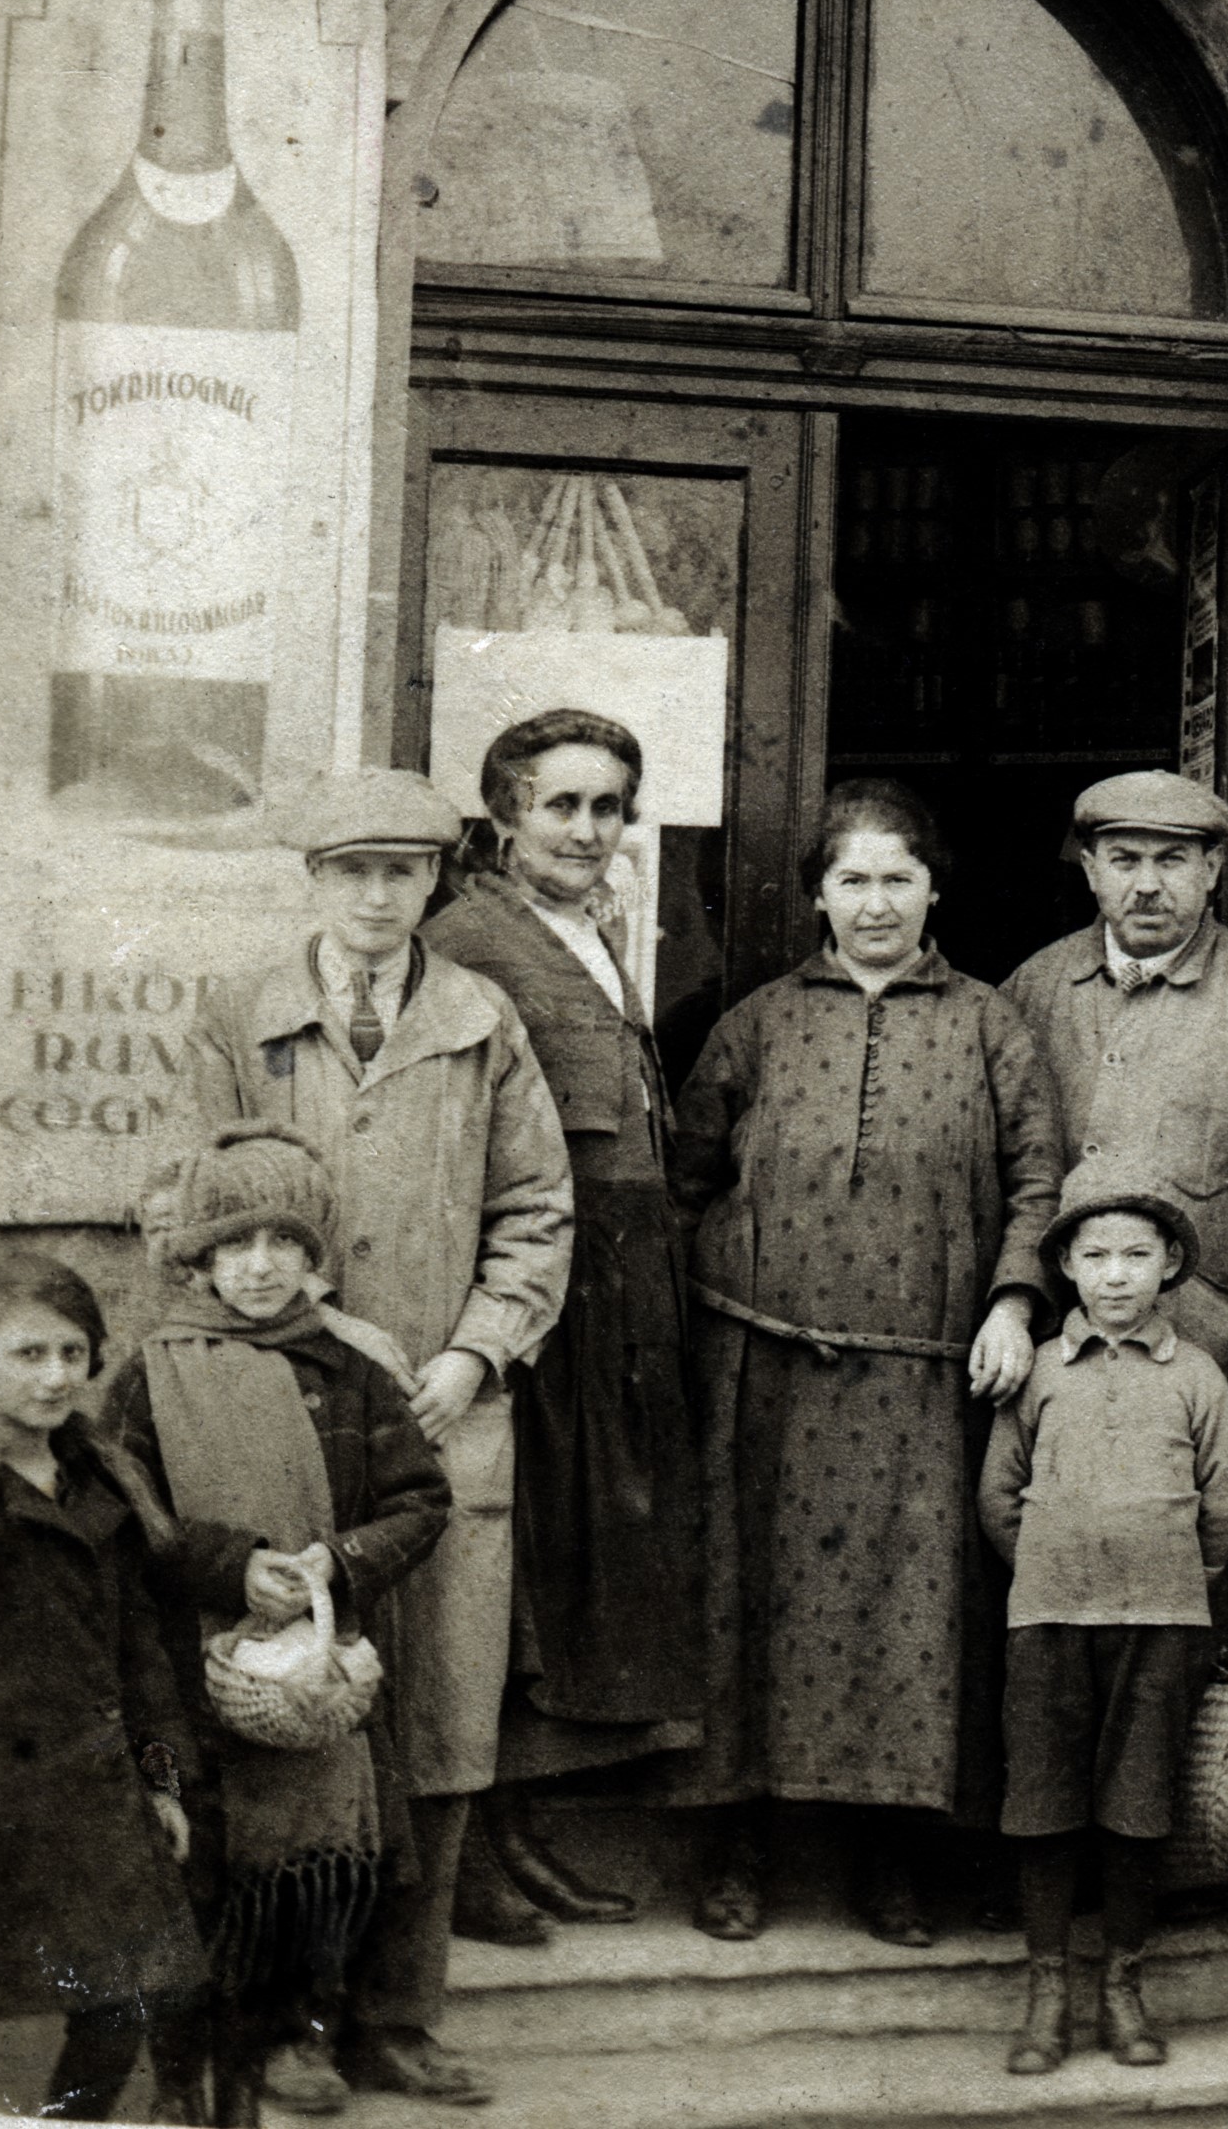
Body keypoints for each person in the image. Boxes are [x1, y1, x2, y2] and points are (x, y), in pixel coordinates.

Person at [186, 768, 573, 2107]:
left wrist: (476, 1350)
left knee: (444, 1720)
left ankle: (400, 2016)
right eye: (350, 870)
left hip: (442, 1419)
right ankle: (288, 2017)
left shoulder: (482, 1020)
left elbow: (536, 1208)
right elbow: (191, 1202)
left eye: (401, 873)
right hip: (276, 1417)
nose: (375, 895)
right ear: (315, 880)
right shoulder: (244, 1015)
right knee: (296, 1709)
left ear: (436, 883)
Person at [670, 777, 1065, 1947]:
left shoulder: (993, 1024)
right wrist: (718, 1319)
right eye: (853, 880)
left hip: (924, 1378)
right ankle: (736, 1849)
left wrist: (1010, 1302)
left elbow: (1040, 1179)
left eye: (899, 877)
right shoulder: (756, 1024)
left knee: (910, 1614)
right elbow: (689, 1180)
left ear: (935, 889)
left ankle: (892, 1861)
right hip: (767, 1376)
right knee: (752, 1603)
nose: (878, 901)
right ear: (817, 900)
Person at [106, 1126, 453, 2125]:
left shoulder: (351, 1373)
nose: (260, 1266)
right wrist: (233, 1565)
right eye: (236, 1244)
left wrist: (334, 1563)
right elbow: (133, 1518)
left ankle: (301, 2031)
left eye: (285, 1243)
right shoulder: (153, 1374)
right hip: (191, 1673)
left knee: (321, 1861)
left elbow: (420, 1503)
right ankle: (186, 2072)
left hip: (311, 1669)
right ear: (200, 1256)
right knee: (200, 1869)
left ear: (316, 1257)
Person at [424, 708, 701, 1940]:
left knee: (568, 1567)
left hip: (619, 1300)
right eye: (563, 806)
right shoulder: (466, 943)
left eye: (609, 807)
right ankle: (473, 1851)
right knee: (506, 1572)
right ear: (505, 818)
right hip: (535, 1302)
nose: (590, 830)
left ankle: (522, 1827)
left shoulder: (587, 933)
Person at [0, 1254, 204, 2119]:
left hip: (92, 1804)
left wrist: (161, 1779)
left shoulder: (103, 1479)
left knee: (126, 1996)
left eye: (73, 1352)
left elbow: (137, 1653)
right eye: (29, 1355)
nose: (56, 1376)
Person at [979, 1167, 1228, 2080]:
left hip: (1163, 1623)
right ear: (1064, 1266)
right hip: (1050, 1619)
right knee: (1045, 1810)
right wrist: (1061, 1561)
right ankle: (1048, 1993)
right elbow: (998, 1498)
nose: (1117, 1275)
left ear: (1170, 1263)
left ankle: (1123, 1989)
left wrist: (1171, 1571)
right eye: (1094, 1256)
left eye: (1138, 1254)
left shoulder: (1198, 1376)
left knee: (1137, 1811)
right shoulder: (1042, 1372)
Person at [1002, 773, 1228, 1478]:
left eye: (1173, 860)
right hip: (1057, 1369)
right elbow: (1002, 1178)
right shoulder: (1031, 992)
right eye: (1126, 861)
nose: (1148, 885)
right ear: (1092, 870)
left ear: (1212, 869)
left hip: (1211, 1366)